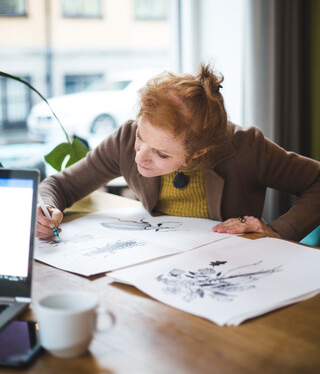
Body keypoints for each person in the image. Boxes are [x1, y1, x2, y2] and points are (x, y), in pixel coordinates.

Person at [37, 63, 320, 242]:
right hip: (153, 261)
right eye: (141, 137)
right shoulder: (124, 139)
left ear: (199, 152)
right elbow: (59, 184)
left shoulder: (247, 148)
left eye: (161, 154)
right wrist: (45, 210)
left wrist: (280, 231)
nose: (139, 157)